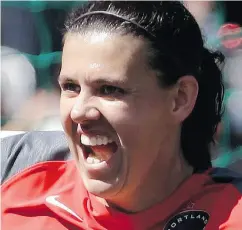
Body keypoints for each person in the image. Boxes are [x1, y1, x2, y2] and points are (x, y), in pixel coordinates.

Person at [1, 1, 242, 229]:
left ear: (180, 98)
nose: (79, 112)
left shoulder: (231, 213)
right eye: (71, 87)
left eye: (109, 90)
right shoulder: (16, 172)